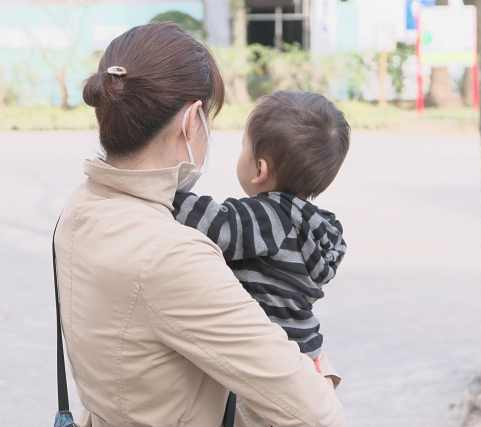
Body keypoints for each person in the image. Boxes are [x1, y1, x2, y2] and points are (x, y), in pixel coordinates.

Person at [54, 22, 346, 427]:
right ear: (192, 120)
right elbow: (316, 414)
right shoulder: (171, 253)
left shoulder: (79, 207)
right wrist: (316, 367)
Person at [172, 91, 350, 383]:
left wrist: (164, 192)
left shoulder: (267, 217)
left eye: (244, 147)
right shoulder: (318, 226)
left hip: (273, 362)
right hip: (307, 354)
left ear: (259, 169)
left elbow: (214, 224)